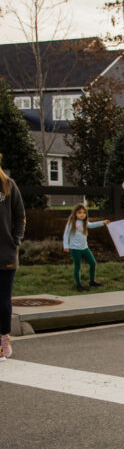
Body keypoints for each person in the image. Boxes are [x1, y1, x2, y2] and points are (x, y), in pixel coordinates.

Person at [0, 154, 26, 361]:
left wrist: (15, 240)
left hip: (5, 253)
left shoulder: (8, 185)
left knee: (3, 300)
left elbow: (20, 216)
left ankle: (4, 338)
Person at [63, 204, 110, 292]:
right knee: (78, 266)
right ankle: (78, 285)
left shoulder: (85, 222)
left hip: (85, 248)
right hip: (75, 249)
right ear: (75, 213)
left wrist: (103, 222)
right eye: (80, 212)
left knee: (93, 263)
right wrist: (66, 246)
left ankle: (92, 281)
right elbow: (66, 234)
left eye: (84, 213)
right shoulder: (71, 222)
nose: (82, 214)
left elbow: (91, 225)